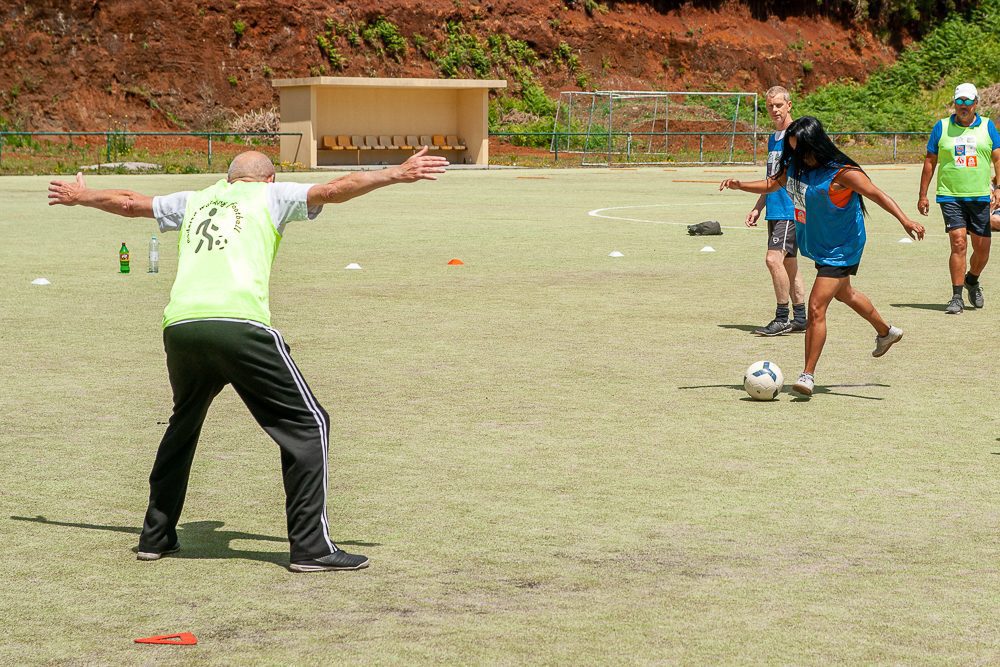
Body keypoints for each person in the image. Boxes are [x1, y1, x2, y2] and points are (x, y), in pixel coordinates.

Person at [47, 148, 449, 572]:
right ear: (270, 179)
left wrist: (82, 196)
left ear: (229, 179)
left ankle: (156, 537)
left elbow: (129, 202)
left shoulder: (196, 198)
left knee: (183, 425)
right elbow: (333, 189)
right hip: (239, 325)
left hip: (181, 327)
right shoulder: (270, 197)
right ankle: (312, 547)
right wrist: (396, 173)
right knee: (309, 425)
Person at [720, 116, 925, 396]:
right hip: (820, 242)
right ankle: (886, 331)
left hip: (843, 246)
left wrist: (906, 220)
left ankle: (807, 375)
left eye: (801, 150)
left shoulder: (842, 173)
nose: (797, 156)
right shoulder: (796, 167)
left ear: (815, 144)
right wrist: (739, 185)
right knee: (845, 293)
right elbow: (772, 184)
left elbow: (877, 194)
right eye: (792, 150)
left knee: (816, 307)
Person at [917, 83, 1000, 314]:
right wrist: (923, 194)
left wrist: (999, 188)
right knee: (958, 241)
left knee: (982, 250)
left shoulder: (987, 126)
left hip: (980, 196)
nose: (962, 106)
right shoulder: (941, 127)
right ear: (955, 103)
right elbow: (930, 161)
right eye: (959, 101)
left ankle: (972, 279)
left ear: (976, 103)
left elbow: (998, 159)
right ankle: (956, 297)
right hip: (950, 195)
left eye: (967, 101)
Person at [744, 86, 807, 336]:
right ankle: (801, 318)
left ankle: (782, 317)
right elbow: (771, 178)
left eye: (779, 105)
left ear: (789, 105)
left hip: (791, 209)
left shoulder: (798, 135)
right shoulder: (773, 138)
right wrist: (759, 207)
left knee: (773, 259)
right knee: (789, 263)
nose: (774, 110)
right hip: (775, 208)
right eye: (770, 106)